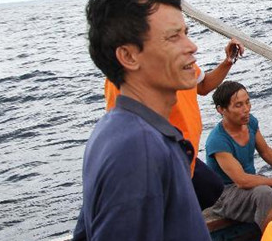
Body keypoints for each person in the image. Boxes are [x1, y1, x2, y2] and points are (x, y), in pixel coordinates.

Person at [67, 0, 226, 241]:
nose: (192, 46)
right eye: (173, 38)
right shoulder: (137, 151)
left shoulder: (126, 131)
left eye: (187, 33)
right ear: (129, 56)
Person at [104, 37, 245, 209]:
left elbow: (204, 85)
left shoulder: (182, 58)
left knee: (211, 189)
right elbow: (119, 124)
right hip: (161, 161)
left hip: (185, 155)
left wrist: (229, 60)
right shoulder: (130, 71)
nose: (190, 45)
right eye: (175, 32)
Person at [206, 80, 272, 230]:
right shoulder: (218, 141)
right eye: (238, 105)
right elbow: (242, 180)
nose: (246, 109)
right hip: (225, 195)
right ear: (221, 110)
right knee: (263, 193)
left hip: (249, 186)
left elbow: (266, 152)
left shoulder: (250, 122)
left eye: (247, 102)